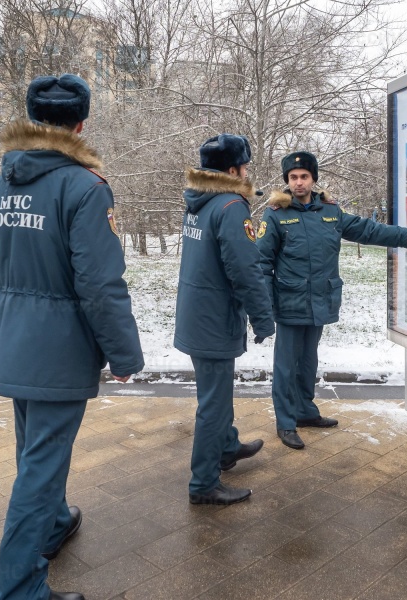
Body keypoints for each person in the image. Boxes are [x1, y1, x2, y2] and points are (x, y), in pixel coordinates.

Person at [0, 74, 144, 600]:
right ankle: (20, 587)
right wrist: (123, 354)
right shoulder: (85, 186)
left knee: (34, 453)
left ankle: (51, 527)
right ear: (81, 123)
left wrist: (4, 333)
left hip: (17, 344)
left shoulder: (1, 184)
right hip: (59, 350)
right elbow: (99, 283)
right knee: (40, 469)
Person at [256, 151, 407, 449]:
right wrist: (263, 306)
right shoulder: (275, 214)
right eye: (293, 178)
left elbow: (366, 229)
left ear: (313, 179)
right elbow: (262, 262)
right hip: (289, 301)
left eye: (304, 177)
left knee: (308, 360)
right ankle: (285, 422)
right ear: (287, 181)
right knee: (286, 364)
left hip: (320, 299)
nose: (299, 182)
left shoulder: (330, 212)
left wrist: (405, 234)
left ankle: (305, 412)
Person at [174, 134, 275, 505]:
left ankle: (227, 447)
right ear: (232, 170)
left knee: (215, 393)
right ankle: (203, 483)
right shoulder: (231, 205)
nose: (247, 172)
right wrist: (263, 318)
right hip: (214, 318)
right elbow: (245, 269)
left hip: (196, 313)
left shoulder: (198, 202)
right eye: (245, 166)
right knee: (213, 403)